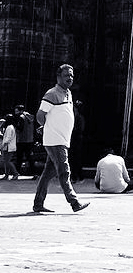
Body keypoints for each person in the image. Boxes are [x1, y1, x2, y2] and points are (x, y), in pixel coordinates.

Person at [33, 64, 90, 214]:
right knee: (64, 171)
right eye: (66, 75)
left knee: (47, 174)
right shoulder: (52, 94)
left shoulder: (68, 93)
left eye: (71, 75)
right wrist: (48, 126)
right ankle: (74, 202)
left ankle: (38, 204)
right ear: (58, 77)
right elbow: (40, 115)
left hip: (62, 139)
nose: (70, 78)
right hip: (55, 140)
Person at [14, 105, 35, 176]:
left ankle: (16, 172)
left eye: (17, 111)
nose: (15, 113)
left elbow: (20, 128)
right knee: (30, 157)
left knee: (19, 157)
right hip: (29, 140)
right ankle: (33, 172)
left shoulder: (21, 117)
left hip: (21, 140)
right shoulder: (30, 117)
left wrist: (15, 126)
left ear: (21, 111)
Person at [69, 100, 86, 182]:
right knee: (74, 158)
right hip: (75, 139)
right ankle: (76, 176)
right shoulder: (76, 117)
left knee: (75, 158)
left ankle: (76, 176)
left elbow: (79, 129)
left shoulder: (78, 118)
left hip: (76, 139)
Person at [1, 114, 20, 180]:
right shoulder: (11, 127)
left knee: (8, 161)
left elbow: (8, 139)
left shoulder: (9, 128)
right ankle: (6, 175)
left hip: (8, 147)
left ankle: (15, 173)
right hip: (8, 147)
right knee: (6, 161)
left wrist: (2, 146)